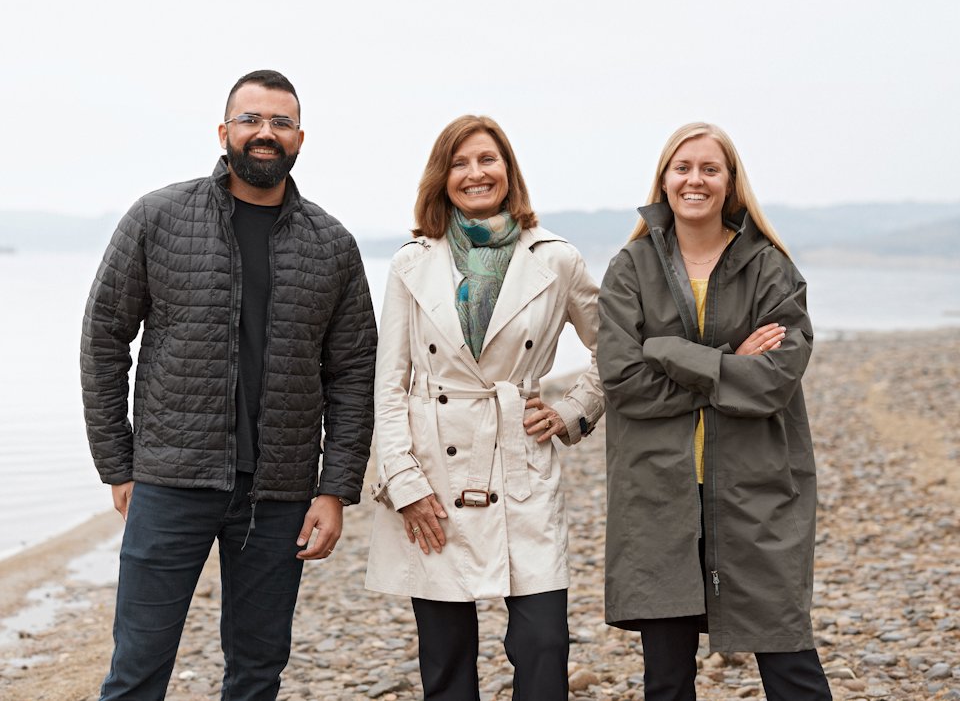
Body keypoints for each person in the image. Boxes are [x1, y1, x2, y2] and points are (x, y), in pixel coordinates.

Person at [80, 69, 377, 701]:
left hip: (280, 492)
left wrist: (335, 491)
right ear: (224, 132)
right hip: (170, 480)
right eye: (251, 120)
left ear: (300, 138)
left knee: (257, 672)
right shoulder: (159, 217)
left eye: (281, 122)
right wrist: (117, 462)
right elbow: (105, 338)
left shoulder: (334, 245)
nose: (265, 133)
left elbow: (352, 375)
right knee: (137, 668)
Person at [364, 115, 604, 700]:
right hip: (435, 470)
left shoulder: (556, 258)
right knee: (445, 656)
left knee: (544, 644)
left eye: (487, 160)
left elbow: (620, 349)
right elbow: (389, 382)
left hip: (521, 461)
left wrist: (573, 410)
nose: (476, 173)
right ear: (442, 178)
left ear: (508, 170)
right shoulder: (411, 263)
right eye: (460, 162)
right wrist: (402, 480)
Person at [597, 121, 832, 700]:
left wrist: (672, 353)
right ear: (664, 180)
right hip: (657, 493)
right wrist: (728, 363)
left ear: (730, 183)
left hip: (758, 488)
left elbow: (775, 379)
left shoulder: (769, 267)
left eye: (709, 168)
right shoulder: (630, 268)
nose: (694, 179)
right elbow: (624, 380)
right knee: (668, 680)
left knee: (790, 664)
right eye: (683, 168)